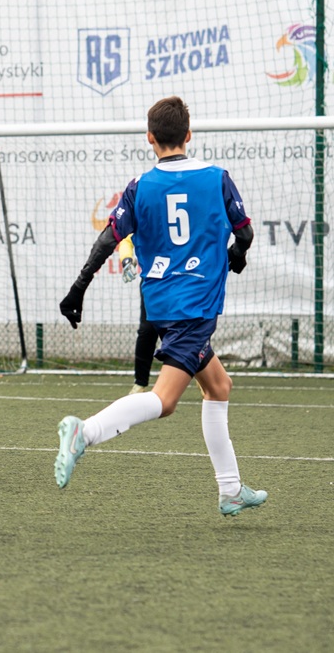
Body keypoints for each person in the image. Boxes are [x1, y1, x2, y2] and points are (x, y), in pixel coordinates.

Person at [56, 96, 265, 516]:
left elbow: (109, 239)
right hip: (196, 306)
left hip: (161, 303)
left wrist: (78, 288)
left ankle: (230, 489)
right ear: (189, 134)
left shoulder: (139, 186)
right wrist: (236, 256)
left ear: (150, 138)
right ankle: (85, 432)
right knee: (165, 401)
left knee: (218, 386)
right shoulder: (217, 178)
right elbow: (244, 233)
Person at [118, 234, 160, 394]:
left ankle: (204, 376)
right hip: (152, 281)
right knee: (147, 330)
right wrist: (127, 260)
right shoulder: (145, 219)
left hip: (183, 280)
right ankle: (140, 383)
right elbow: (127, 240)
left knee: (188, 329)